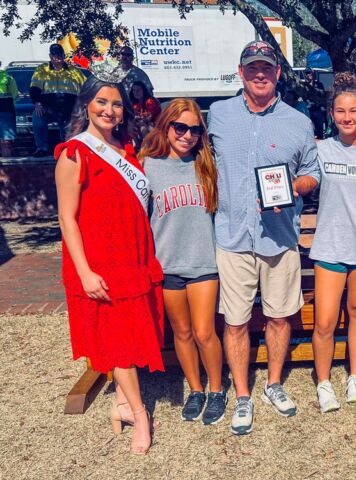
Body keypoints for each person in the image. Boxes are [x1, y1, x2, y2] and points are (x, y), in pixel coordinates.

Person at [207, 40, 320, 435]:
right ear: (240, 73)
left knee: (278, 316)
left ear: (276, 73)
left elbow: (313, 174)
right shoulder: (217, 116)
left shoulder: (298, 121)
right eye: (252, 67)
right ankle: (242, 395)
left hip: (278, 238)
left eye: (266, 68)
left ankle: (273, 384)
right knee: (235, 321)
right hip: (233, 237)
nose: (259, 73)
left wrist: (293, 186)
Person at [54, 70, 164, 454]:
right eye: (101, 101)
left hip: (132, 257)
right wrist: (85, 272)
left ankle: (120, 404)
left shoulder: (127, 148)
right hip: (101, 264)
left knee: (127, 336)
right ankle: (140, 413)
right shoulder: (74, 153)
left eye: (116, 103)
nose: (109, 109)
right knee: (118, 342)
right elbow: (67, 218)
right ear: (86, 105)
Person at [140, 98, 225, 425]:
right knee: (183, 332)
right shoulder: (147, 165)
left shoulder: (206, 164)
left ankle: (217, 390)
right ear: (166, 125)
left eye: (195, 129)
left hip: (203, 264)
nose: (187, 135)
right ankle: (196, 389)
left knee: (205, 332)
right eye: (180, 127)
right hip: (168, 265)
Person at [309, 73, 356, 413]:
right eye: (340, 111)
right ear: (331, 114)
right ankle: (324, 383)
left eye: (353, 110)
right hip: (329, 248)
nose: (347, 117)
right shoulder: (320, 149)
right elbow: (303, 182)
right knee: (324, 321)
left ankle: (355, 376)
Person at [30, 43, 86, 156]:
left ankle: (67, 149)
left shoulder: (74, 71)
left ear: (64, 55)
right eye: (55, 55)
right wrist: (37, 103)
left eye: (60, 55)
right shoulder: (42, 69)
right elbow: (34, 88)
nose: (58, 58)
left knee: (69, 127)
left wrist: (84, 104)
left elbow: (86, 87)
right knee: (37, 117)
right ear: (50, 56)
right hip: (48, 106)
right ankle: (42, 148)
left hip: (68, 107)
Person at [0, 65, 19, 157]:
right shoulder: (8, 77)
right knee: (6, 142)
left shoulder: (8, 77)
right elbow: (15, 96)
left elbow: (15, 95)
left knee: (6, 142)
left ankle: (7, 168)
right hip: (6, 110)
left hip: (6, 112)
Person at [303, 66, 327, 138]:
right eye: (306, 73)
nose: (308, 75)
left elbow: (322, 94)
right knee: (309, 131)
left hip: (318, 110)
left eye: (309, 73)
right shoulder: (303, 86)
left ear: (312, 74)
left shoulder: (319, 84)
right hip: (308, 111)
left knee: (320, 129)